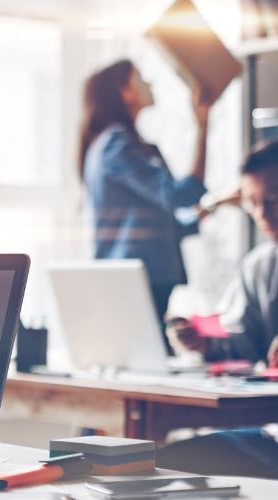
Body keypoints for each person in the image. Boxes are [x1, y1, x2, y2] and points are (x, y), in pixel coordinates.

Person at [159, 141, 278, 490]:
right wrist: (203, 342)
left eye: (273, 200)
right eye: (252, 203)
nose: (262, 214)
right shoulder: (259, 266)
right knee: (166, 462)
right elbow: (242, 344)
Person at [78, 59, 215, 352]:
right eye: (140, 78)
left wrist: (214, 207)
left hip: (138, 276)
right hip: (136, 277)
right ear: (124, 92)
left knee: (147, 359)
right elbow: (180, 195)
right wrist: (203, 127)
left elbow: (166, 223)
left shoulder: (120, 144)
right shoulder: (118, 145)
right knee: (147, 360)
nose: (150, 84)